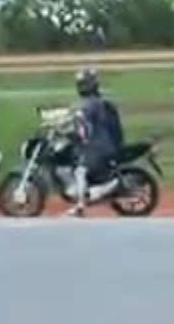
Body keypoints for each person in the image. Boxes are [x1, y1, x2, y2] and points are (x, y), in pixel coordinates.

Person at [69, 68, 124, 218]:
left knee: (80, 171)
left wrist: (72, 133)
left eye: (83, 83)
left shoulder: (89, 104)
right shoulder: (99, 102)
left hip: (98, 147)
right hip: (105, 144)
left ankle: (81, 205)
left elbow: (82, 126)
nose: (81, 86)